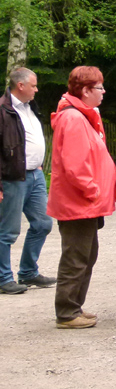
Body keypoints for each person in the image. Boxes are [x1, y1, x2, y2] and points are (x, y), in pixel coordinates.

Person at [48, 66, 116, 329]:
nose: (103, 91)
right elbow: (75, 164)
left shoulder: (80, 116)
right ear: (86, 90)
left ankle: (73, 306)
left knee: (86, 255)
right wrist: (93, 190)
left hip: (83, 203)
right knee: (76, 257)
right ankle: (66, 312)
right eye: (99, 87)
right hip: (78, 202)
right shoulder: (74, 119)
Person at [0, 67, 54, 294]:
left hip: (35, 174)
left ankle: (28, 272)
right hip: (12, 177)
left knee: (43, 223)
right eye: (33, 85)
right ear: (20, 85)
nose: (36, 89)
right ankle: (3, 278)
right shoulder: (3, 110)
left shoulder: (31, 106)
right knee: (8, 230)